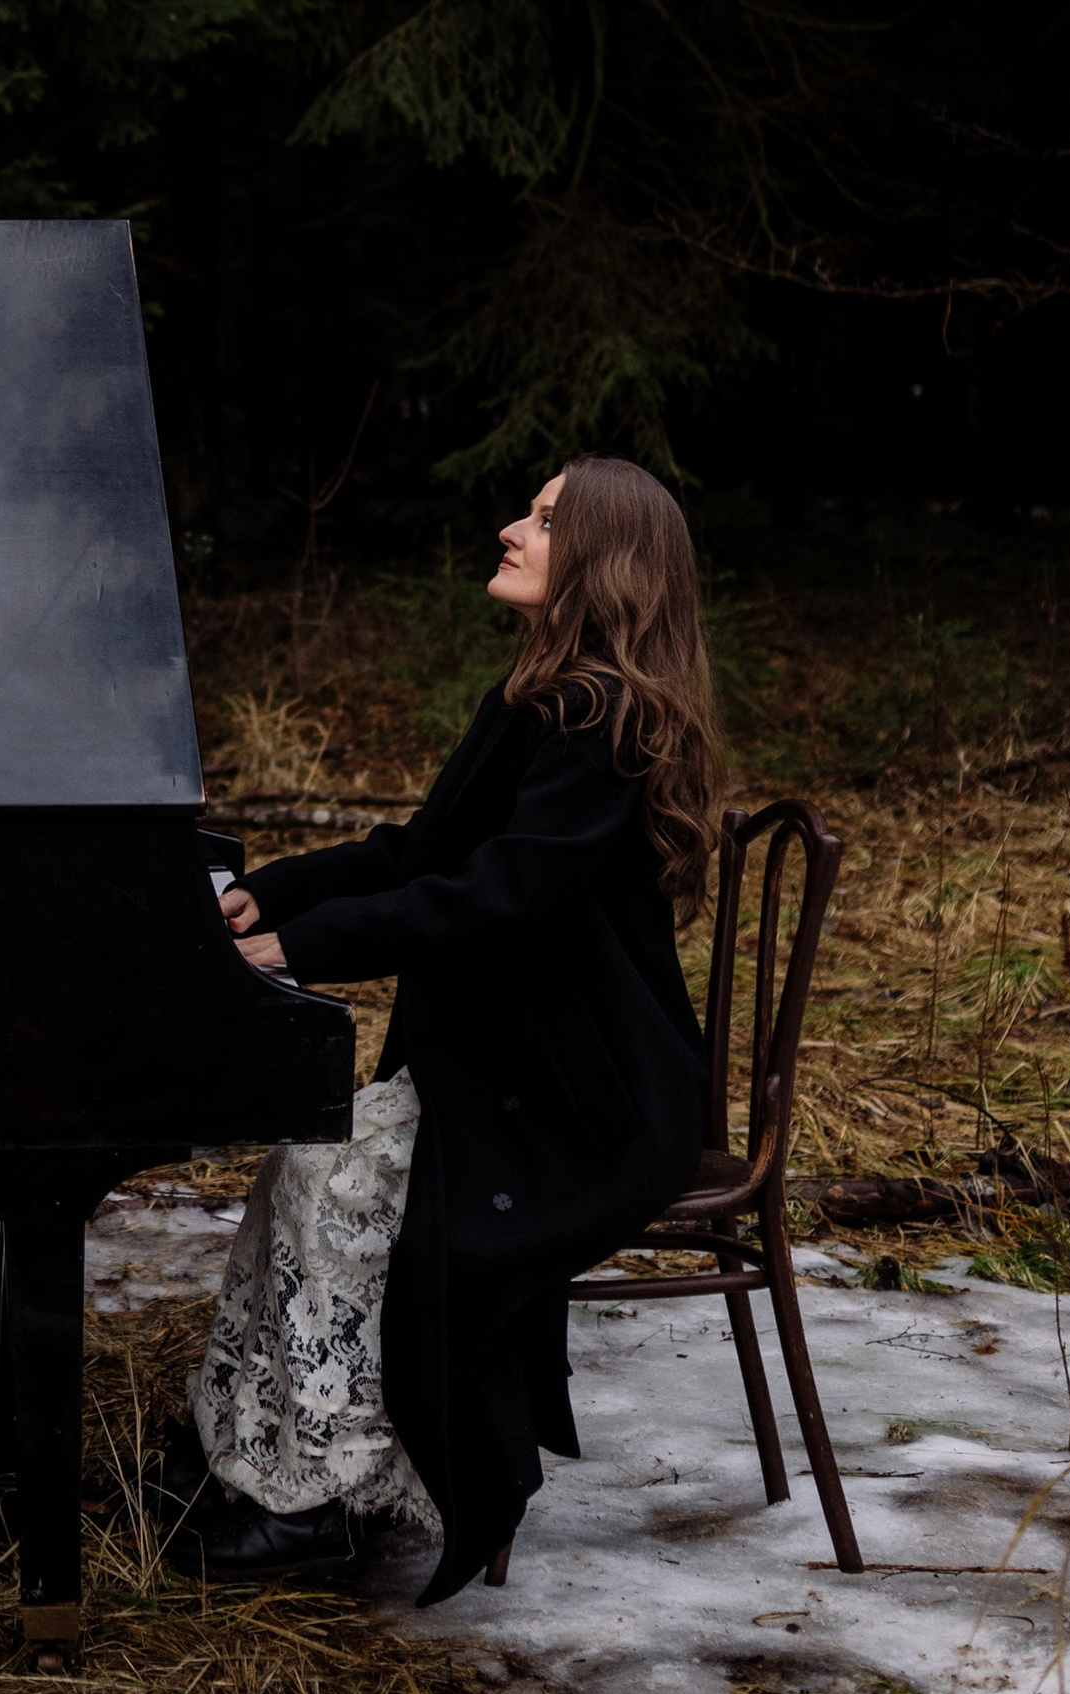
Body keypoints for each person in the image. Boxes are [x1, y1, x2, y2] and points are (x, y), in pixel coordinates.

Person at [173, 456, 717, 1606]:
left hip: (590, 1102)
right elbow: (421, 855)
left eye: (545, 518)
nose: (514, 528)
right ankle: (248, 1467)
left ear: (604, 561)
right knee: (302, 1171)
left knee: (327, 1185)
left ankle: (317, 1503)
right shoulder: (541, 697)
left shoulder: (601, 715)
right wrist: (270, 895)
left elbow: (495, 896)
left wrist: (297, 950)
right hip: (518, 1066)